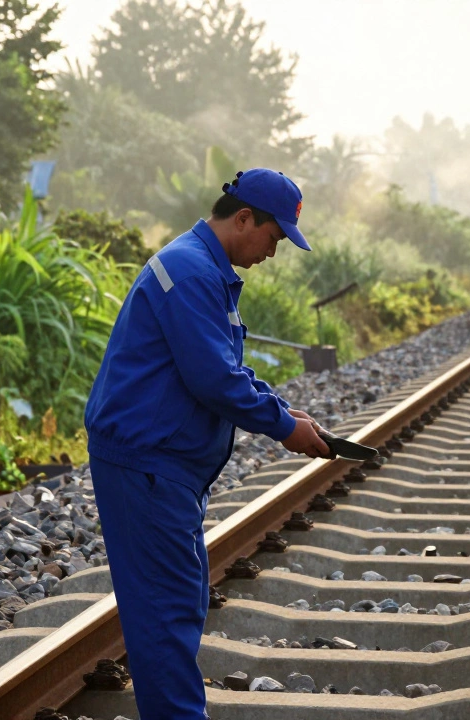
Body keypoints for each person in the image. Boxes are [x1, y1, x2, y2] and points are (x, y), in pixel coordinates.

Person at [84, 168, 330, 719]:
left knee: (177, 604)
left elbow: (221, 365)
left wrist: (282, 407)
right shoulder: (193, 273)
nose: (274, 252)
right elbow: (214, 380)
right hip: (147, 464)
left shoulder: (199, 266)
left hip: (160, 464)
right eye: (274, 238)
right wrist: (285, 428)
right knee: (166, 614)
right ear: (245, 218)